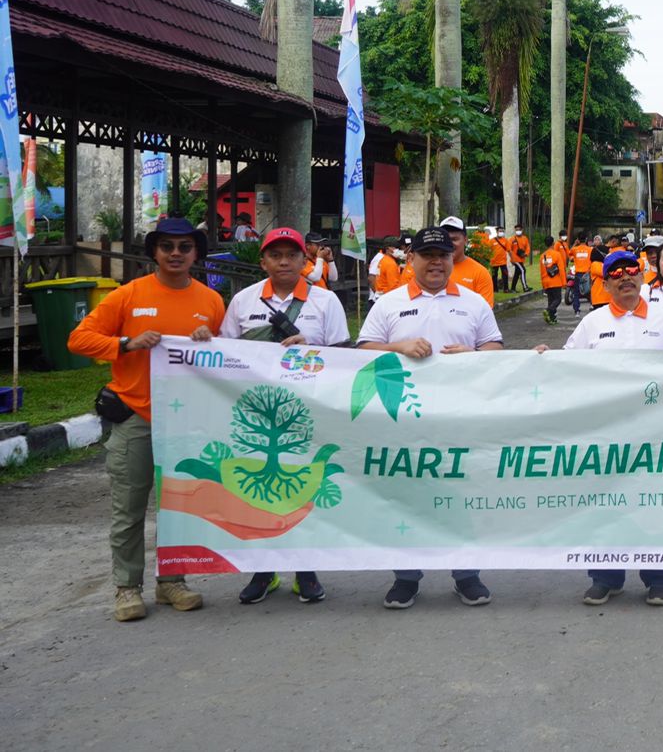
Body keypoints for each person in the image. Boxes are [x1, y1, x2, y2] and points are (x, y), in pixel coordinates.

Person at [67, 217, 224, 622]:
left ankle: (172, 580)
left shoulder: (210, 302)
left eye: (184, 247)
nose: (176, 254)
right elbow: (78, 339)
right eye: (167, 246)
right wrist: (125, 343)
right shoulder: (129, 295)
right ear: (154, 251)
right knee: (129, 508)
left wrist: (213, 341)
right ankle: (127, 587)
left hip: (186, 422)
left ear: (195, 254)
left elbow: (225, 362)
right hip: (136, 416)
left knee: (180, 507)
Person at [540, 249, 663, 604]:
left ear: (642, 276)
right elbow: (567, 365)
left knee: (657, 505)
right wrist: (544, 359)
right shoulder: (593, 323)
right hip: (608, 432)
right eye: (617, 274)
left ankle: (659, 578)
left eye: (632, 271)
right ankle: (606, 576)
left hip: (659, 432)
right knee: (606, 503)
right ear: (606, 283)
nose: (626, 278)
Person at [358, 226, 503, 609]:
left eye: (443, 254)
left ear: (452, 258)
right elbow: (361, 351)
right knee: (408, 498)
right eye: (427, 255)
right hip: (405, 419)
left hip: (461, 417)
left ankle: (466, 575)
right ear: (411, 260)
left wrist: (474, 356)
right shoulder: (388, 304)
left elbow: (496, 347)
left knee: (461, 496)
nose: (437, 261)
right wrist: (398, 347)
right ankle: (406, 576)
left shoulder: (474, 303)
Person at [220, 227, 350, 606]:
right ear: (263, 262)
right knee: (259, 491)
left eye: (291, 255)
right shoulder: (242, 302)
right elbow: (226, 352)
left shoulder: (325, 302)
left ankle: (306, 570)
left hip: (309, 412)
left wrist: (310, 348)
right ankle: (263, 570)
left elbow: (345, 356)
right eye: (274, 255)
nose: (283, 261)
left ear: (303, 260)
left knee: (302, 488)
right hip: (256, 414)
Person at [439, 216, 496, 309]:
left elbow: (485, 315)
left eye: (454, 239)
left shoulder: (480, 273)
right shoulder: (430, 271)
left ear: (465, 240)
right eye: (446, 239)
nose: (449, 244)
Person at [539, 235, 567, 324]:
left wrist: (543, 284)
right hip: (555, 281)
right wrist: (564, 283)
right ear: (553, 243)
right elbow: (561, 270)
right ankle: (548, 310)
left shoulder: (542, 256)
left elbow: (541, 271)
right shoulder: (557, 254)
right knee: (557, 299)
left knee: (551, 300)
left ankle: (552, 319)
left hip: (546, 281)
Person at [569, 235, 594, 310]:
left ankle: (576, 310)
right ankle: (592, 305)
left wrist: (574, 243)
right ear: (586, 239)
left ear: (578, 240)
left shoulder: (574, 249)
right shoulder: (590, 249)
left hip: (578, 273)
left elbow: (569, 254)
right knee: (590, 290)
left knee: (576, 292)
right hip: (587, 273)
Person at [488, 226, 511, 292]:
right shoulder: (492, 241)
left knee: (505, 275)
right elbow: (488, 250)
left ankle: (506, 289)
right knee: (494, 276)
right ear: (497, 232)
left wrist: (512, 259)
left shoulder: (505, 240)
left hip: (503, 262)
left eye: (502, 231)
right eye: (500, 231)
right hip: (494, 262)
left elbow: (509, 250)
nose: (501, 232)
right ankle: (495, 289)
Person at [511, 225, 531, 292]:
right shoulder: (512, 239)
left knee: (517, 274)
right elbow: (509, 249)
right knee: (523, 270)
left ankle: (513, 289)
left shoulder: (525, 238)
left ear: (522, 230)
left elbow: (528, 247)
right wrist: (512, 259)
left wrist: (526, 254)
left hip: (521, 259)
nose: (518, 231)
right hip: (515, 259)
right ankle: (525, 287)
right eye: (516, 230)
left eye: (519, 229)